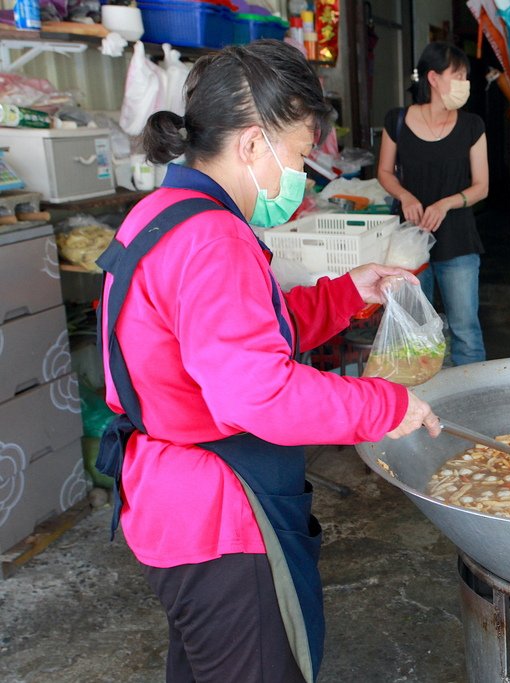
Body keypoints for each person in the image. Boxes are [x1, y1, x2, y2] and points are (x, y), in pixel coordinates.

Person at [94, 40, 441, 683]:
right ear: (253, 145)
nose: (304, 176)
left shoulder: (162, 213)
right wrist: (385, 404)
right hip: (219, 514)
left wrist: (344, 293)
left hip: (170, 501)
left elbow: (230, 338)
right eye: (300, 155)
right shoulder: (213, 238)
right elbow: (258, 394)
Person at [376, 42, 489, 366]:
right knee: (415, 329)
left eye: (466, 76)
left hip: (459, 240)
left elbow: (482, 187)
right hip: (410, 243)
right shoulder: (396, 120)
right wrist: (406, 196)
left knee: (465, 328)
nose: (465, 82)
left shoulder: (472, 126)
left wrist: (446, 204)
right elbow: (384, 172)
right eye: (458, 75)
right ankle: (423, 405)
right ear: (434, 78)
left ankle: (473, 406)